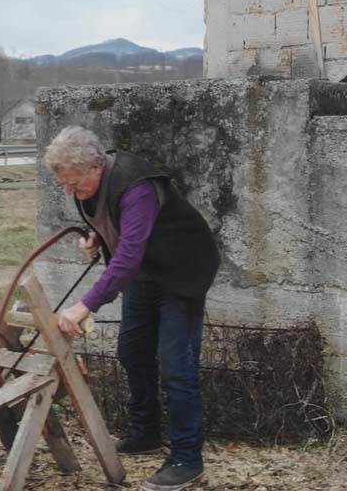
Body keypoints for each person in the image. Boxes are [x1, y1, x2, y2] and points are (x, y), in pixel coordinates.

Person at [45, 125, 220, 491]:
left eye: (74, 183)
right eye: (64, 184)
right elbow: (116, 229)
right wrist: (98, 239)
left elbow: (127, 256)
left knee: (176, 367)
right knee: (132, 352)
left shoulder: (136, 185)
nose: (69, 191)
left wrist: (84, 306)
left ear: (96, 167)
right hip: (145, 273)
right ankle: (146, 433)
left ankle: (187, 458)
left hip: (181, 274)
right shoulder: (87, 183)